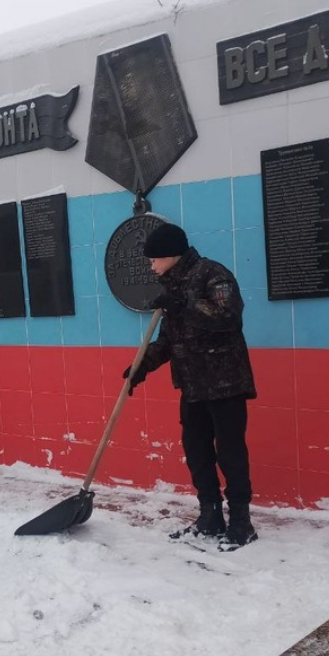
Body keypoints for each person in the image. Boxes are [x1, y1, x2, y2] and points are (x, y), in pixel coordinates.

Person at [123, 223, 258, 548]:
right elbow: (169, 341)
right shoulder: (173, 288)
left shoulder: (214, 275)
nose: (151, 266)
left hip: (225, 384)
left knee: (230, 454)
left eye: (154, 259)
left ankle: (241, 523)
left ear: (171, 255)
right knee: (197, 453)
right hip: (193, 386)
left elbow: (229, 318)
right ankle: (209, 517)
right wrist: (142, 366)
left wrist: (185, 305)